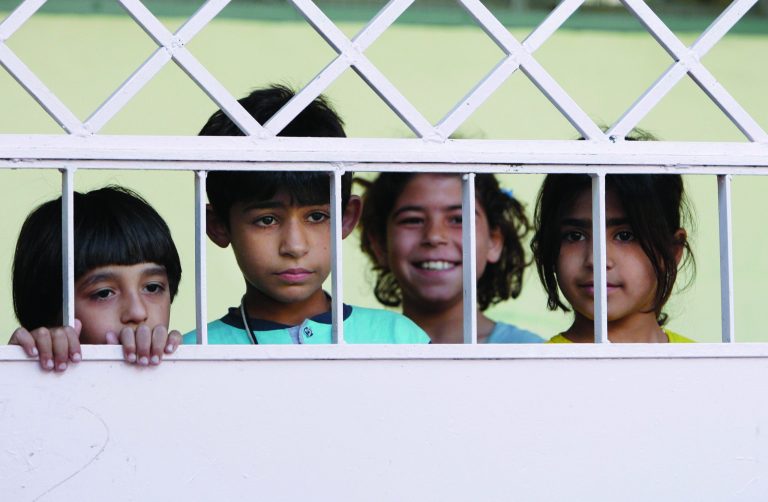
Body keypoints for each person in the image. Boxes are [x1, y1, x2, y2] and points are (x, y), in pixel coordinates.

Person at [185, 85, 428, 344]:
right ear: (218, 225)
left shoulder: (399, 338)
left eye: (316, 217)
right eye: (266, 220)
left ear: (347, 218)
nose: (295, 247)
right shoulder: (191, 353)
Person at [10, 185, 184, 370]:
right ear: (48, 311)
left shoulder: (193, 372)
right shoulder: (25, 380)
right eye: (104, 293)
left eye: (152, 288)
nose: (137, 312)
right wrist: (17, 369)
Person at [358, 172, 542, 344]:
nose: (434, 236)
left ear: (493, 242)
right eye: (412, 220)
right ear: (380, 245)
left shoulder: (532, 355)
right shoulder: (352, 350)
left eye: (458, 219)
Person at [530, 173, 695, 343]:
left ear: (673, 250)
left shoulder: (709, 364)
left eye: (625, 236)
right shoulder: (535, 368)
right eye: (575, 236)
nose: (596, 260)